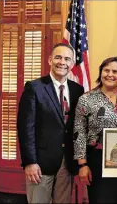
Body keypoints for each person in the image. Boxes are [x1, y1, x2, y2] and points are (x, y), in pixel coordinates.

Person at [17, 43, 84, 203]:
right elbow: (25, 128)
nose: (62, 62)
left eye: (67, 59)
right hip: (40, 163)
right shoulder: (35, 87)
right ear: (49, 60)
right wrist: (30, 162)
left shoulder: (77, 90)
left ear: (72, 64)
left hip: (67, 162)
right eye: (58, 57)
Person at [73, 56, 117, 203]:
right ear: (101, 73)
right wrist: (82, 164)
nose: (110, 74)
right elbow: (79, 133)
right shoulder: (86, 99)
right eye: (106, 70)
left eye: (115, 71)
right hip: (97, 159)